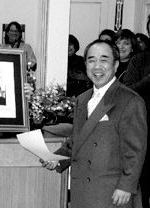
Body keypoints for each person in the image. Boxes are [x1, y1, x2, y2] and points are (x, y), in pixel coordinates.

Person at [41, 39, 147, 208]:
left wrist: (126, 187)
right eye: (92, 60)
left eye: (104, 60)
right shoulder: (82, 99)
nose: (97, 66)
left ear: (116, 65)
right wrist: (56, 158)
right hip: (82, 189)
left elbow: (135, 151)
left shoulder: (131, 100)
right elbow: (78, 140)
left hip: (112, 192)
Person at [123, 50, 150, 208]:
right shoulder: (139, 60)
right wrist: (147, 80)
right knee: (145, 176)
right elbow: (128, 90)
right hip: (145, 125)